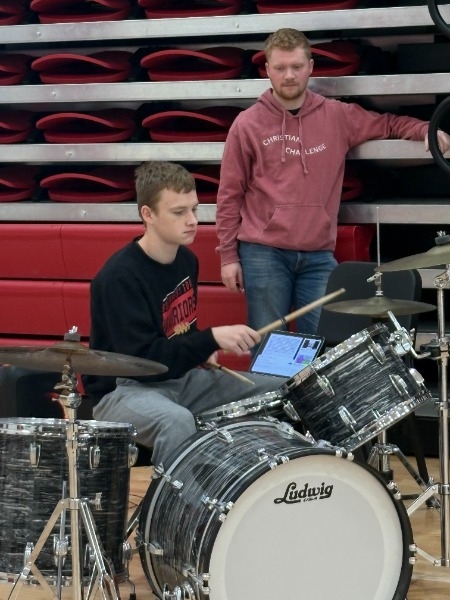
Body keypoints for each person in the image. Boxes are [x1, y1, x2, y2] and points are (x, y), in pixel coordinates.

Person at [216, 28, 450, 336]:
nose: (289, 75)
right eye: (281, 68)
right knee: (268, 346)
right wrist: (228, 256)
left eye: (297, 66)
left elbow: (388, 124)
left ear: (310, 67)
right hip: (263, 253)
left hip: (318, 254)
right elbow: (229, 194)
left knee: (325, 345)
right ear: (268, 70)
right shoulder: (247, 124)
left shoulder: (337, 115)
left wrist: (426, 131)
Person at [82, 161, 284, 469]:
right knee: (176, 421)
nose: (192, 221)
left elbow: (179, 331)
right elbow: (144, 361)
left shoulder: (187, 260)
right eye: (179, 212)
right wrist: (210, 339)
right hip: (123, 390)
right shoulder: (118, 278)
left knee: (279, 388)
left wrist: (201, 351)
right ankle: (173, 500)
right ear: (148, 214)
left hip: (178, 379)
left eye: (195, 209)